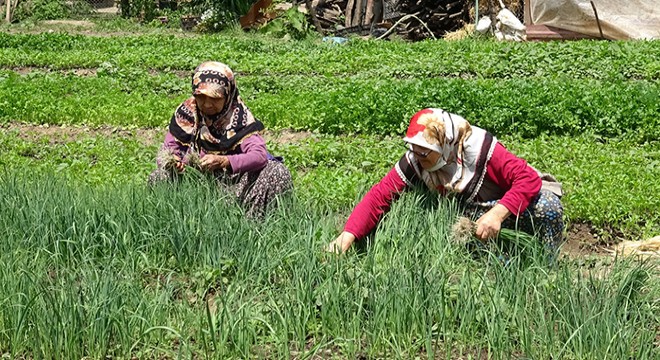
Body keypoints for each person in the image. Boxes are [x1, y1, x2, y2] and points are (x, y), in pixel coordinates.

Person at [328, 108, 564, 253]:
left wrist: (497, 214)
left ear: (444, 144)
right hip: (473, 217)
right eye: (415, 149)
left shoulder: (477, 147)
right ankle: (501, 261)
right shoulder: (415, 160)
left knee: (548, 206)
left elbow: (527, 179)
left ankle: (546, 263)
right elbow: (379, 196)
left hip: (505, 206)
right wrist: (347, 236)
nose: (418, 157)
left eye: (425, 151)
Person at [149, 61, 292, 219]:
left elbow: (259, 155)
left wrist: (225, 161)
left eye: (215, 98)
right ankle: (179, 221)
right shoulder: (187, 113)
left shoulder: (239, 118)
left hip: (234, 185)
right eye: (201, 97)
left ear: (228, 94)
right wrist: (174, 162)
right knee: (159, 176)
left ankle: (251, 225)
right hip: (197, 184)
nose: (207, 104)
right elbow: (169, 149)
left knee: (276, 172)